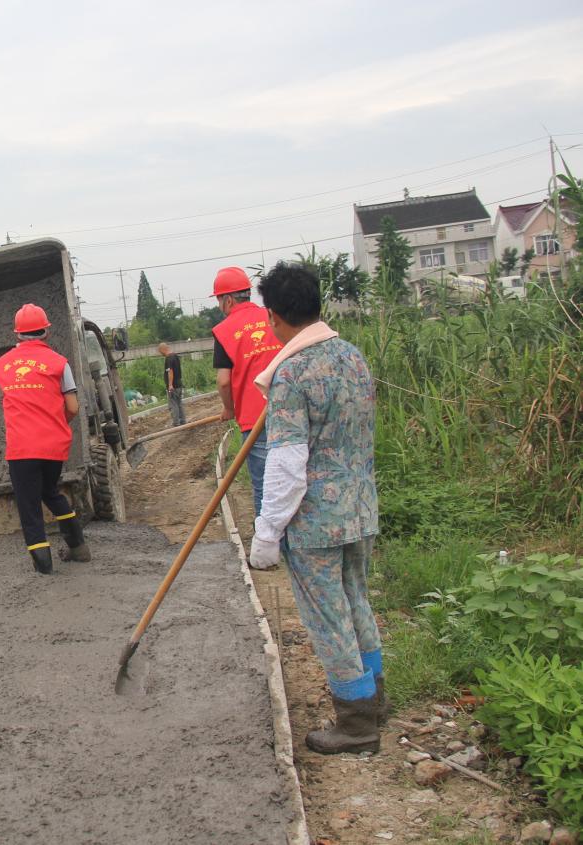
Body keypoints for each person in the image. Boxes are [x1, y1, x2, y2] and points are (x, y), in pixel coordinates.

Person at [249, 262, 384, 755]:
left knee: (329, 618)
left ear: (274, 315)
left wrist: (267, 533)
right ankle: (375, 699)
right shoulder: (352, 356)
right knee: (356, 601)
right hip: (359, 507)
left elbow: (287, 463)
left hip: (315, 523)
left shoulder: (291, 373)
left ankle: (356, 723)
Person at [0, 303, 90, 574]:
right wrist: (54, 423)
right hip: (53, 446)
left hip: (22, 448)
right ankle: (78, 547)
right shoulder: (60, 363)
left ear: (17, 334)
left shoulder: (2, 365)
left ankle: (44, 568)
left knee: (29, 505)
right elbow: (72, 407)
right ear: (46, 331)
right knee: (50, 492)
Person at [210, 266, 283, 532]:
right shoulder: (275, 316)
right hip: (290, 411)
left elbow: (224, 381)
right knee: (295, 480)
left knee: (264, 486)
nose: (219, 306)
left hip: (254, 420)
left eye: (219, 300)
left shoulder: (224, 330)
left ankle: (268, 544)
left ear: (228, 300)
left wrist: (229, 409)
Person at [158, 342, 186, 426]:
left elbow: (170, 371)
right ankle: (183, 421)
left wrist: (170, 385)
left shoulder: (168, 358)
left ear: (163, 349)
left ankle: (176, 422)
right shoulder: (175, 356)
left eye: (160, 352)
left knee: (173, 404)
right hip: (179, 384)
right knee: (179, 403)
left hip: (173, 386)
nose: (161, 354)